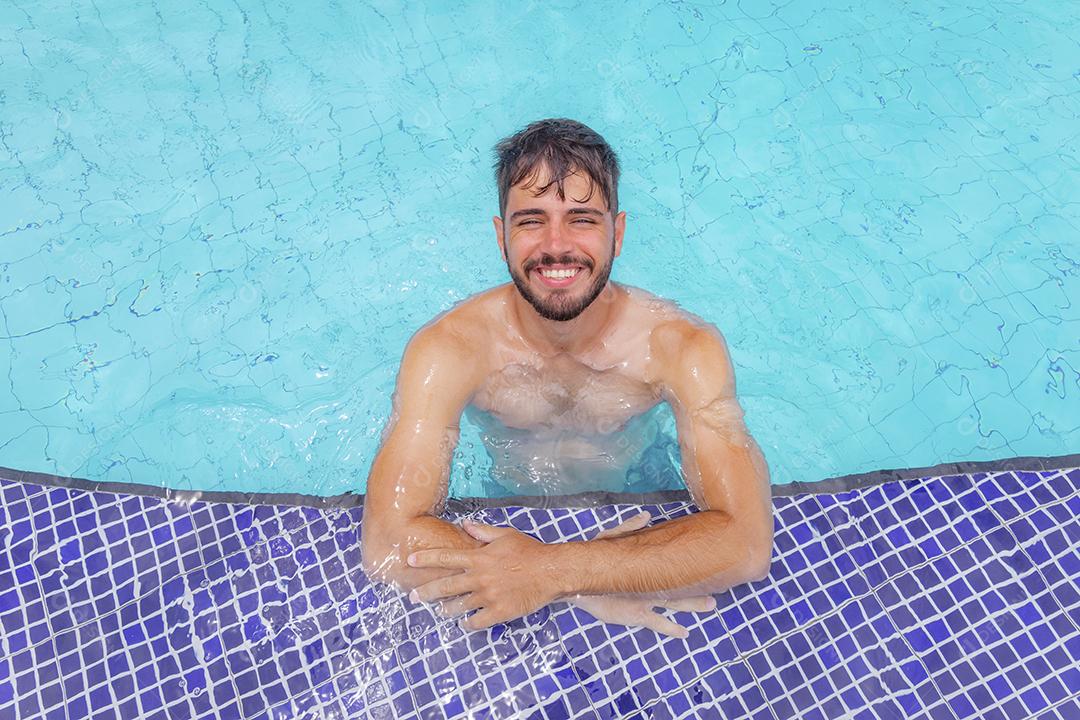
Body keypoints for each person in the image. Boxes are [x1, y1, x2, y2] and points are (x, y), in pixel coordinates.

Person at [361, 118, 773, 639]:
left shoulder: (681, 348)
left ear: (617, 234)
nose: (556, 246)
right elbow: (386, 539)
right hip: (502, 513)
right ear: (500, 235)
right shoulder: (451, 349)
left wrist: (554, 575)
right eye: (532, 221)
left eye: (582, 220)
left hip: (640, 504)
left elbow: (747, 543)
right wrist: (578, 579)